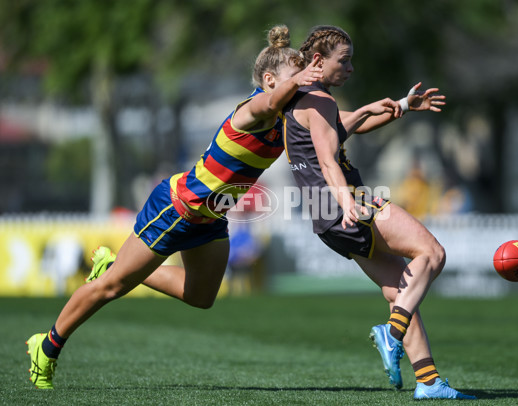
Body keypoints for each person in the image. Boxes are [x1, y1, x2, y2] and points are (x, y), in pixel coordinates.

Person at [25, 25, 323, 390]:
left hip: (211, 218)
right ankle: (48, 345)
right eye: (299, 76)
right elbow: (271, 102)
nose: (307, 82)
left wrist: (395, 108)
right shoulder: (255, 108)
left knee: (201, 297)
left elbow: (337, 126)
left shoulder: (287, 116)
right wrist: (305, 77)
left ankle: (112, 263)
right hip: (178, 207)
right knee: (111, 287)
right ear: (269, 79)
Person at [283, 25, 476, 400]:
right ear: (319, 62)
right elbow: (327, 161)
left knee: (403, 289)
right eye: (345, 60)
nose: (351, 68)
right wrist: (348, 202)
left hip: (325, 219)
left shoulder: (303, 100)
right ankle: (393, 332)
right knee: (432, 254)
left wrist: (402, 107)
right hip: (347, 203)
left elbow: (349, 125)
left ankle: (429, 381)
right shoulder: (319, 101)